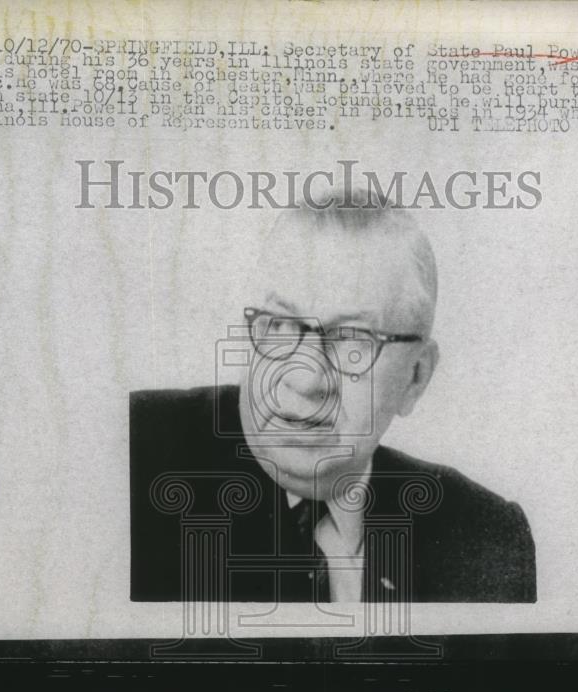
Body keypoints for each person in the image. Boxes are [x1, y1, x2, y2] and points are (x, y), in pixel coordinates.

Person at [131, 186, 536, 603]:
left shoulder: (485, 538)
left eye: (351, 338)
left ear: (416, 377)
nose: (305, 380)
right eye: (281, 324)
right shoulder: (136, 457)